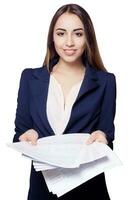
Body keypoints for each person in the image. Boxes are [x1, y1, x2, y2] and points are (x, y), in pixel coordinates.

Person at [13, 3, 116, 200]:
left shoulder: (105, 81)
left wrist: (102, 137)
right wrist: (28, 135)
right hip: (42, 190)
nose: (69, 42)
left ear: (88, 38)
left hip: (89, 190)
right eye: (61, 33)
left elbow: (108, 136)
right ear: (52, 37)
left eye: (78, 34)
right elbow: (20, 131)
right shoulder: (29, 78)